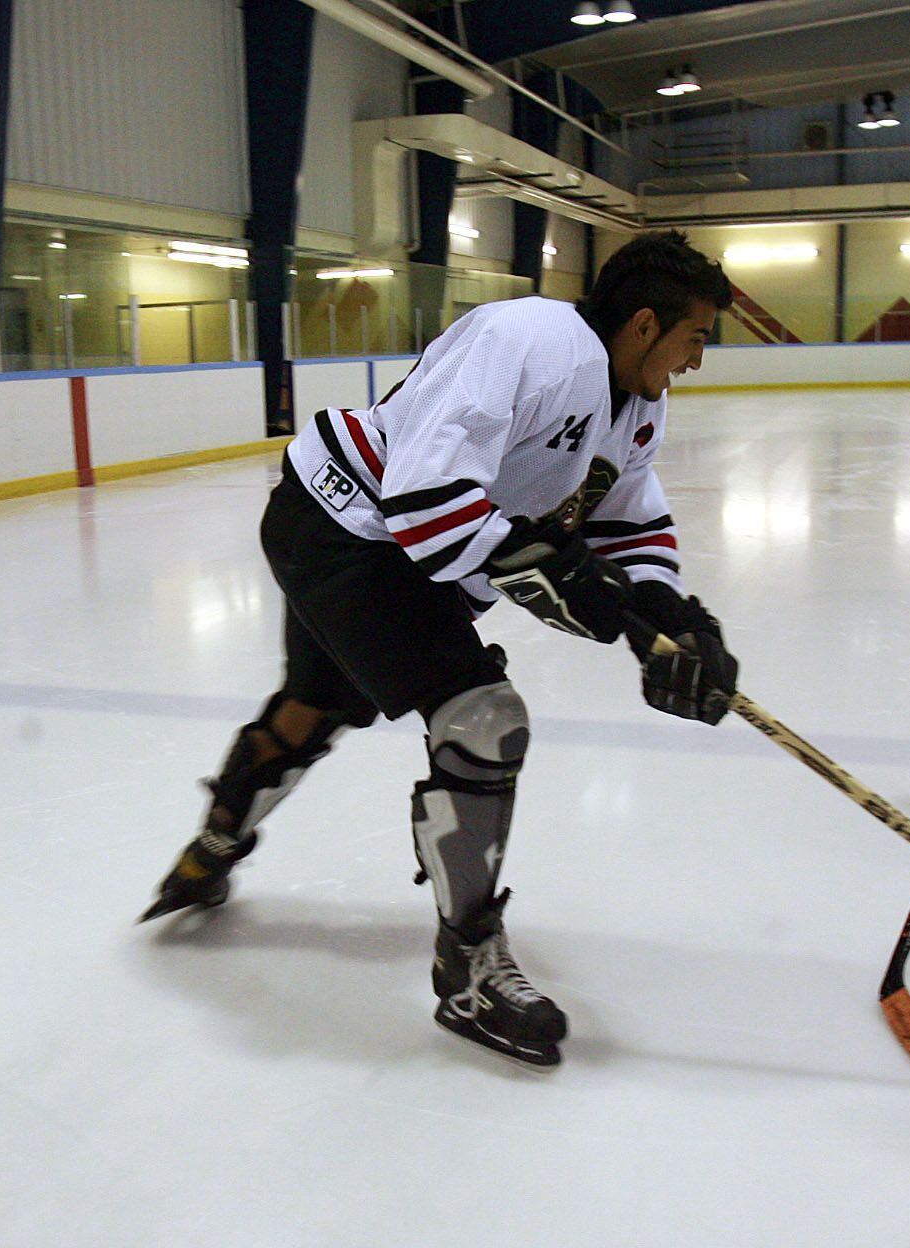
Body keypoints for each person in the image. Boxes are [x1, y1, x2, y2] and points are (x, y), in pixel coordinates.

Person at [140, 230, 739, 1068]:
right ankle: (469, 970)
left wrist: (668, 615)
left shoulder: (636, 399)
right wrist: (574, 591)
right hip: (346, 531)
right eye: (694, 339)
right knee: (484, 719)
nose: (695, 361)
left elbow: (624, 517)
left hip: (382, 544)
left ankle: (212, 845)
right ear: (645, 325)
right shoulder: (521, 341)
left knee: (315, 709)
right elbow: (423, 498)